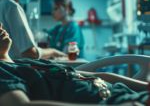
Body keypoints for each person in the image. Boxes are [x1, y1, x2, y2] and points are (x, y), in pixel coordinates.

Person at [0, 23, 149, 106]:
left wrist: (145, 88)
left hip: (125, 93)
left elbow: (101, 75)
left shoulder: (26, 63)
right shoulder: (3, 70)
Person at [0, 0, 67, 60]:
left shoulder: (3, 3)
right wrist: (52, 51)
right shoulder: (13, 6)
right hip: (16, 69)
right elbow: (29, 52)